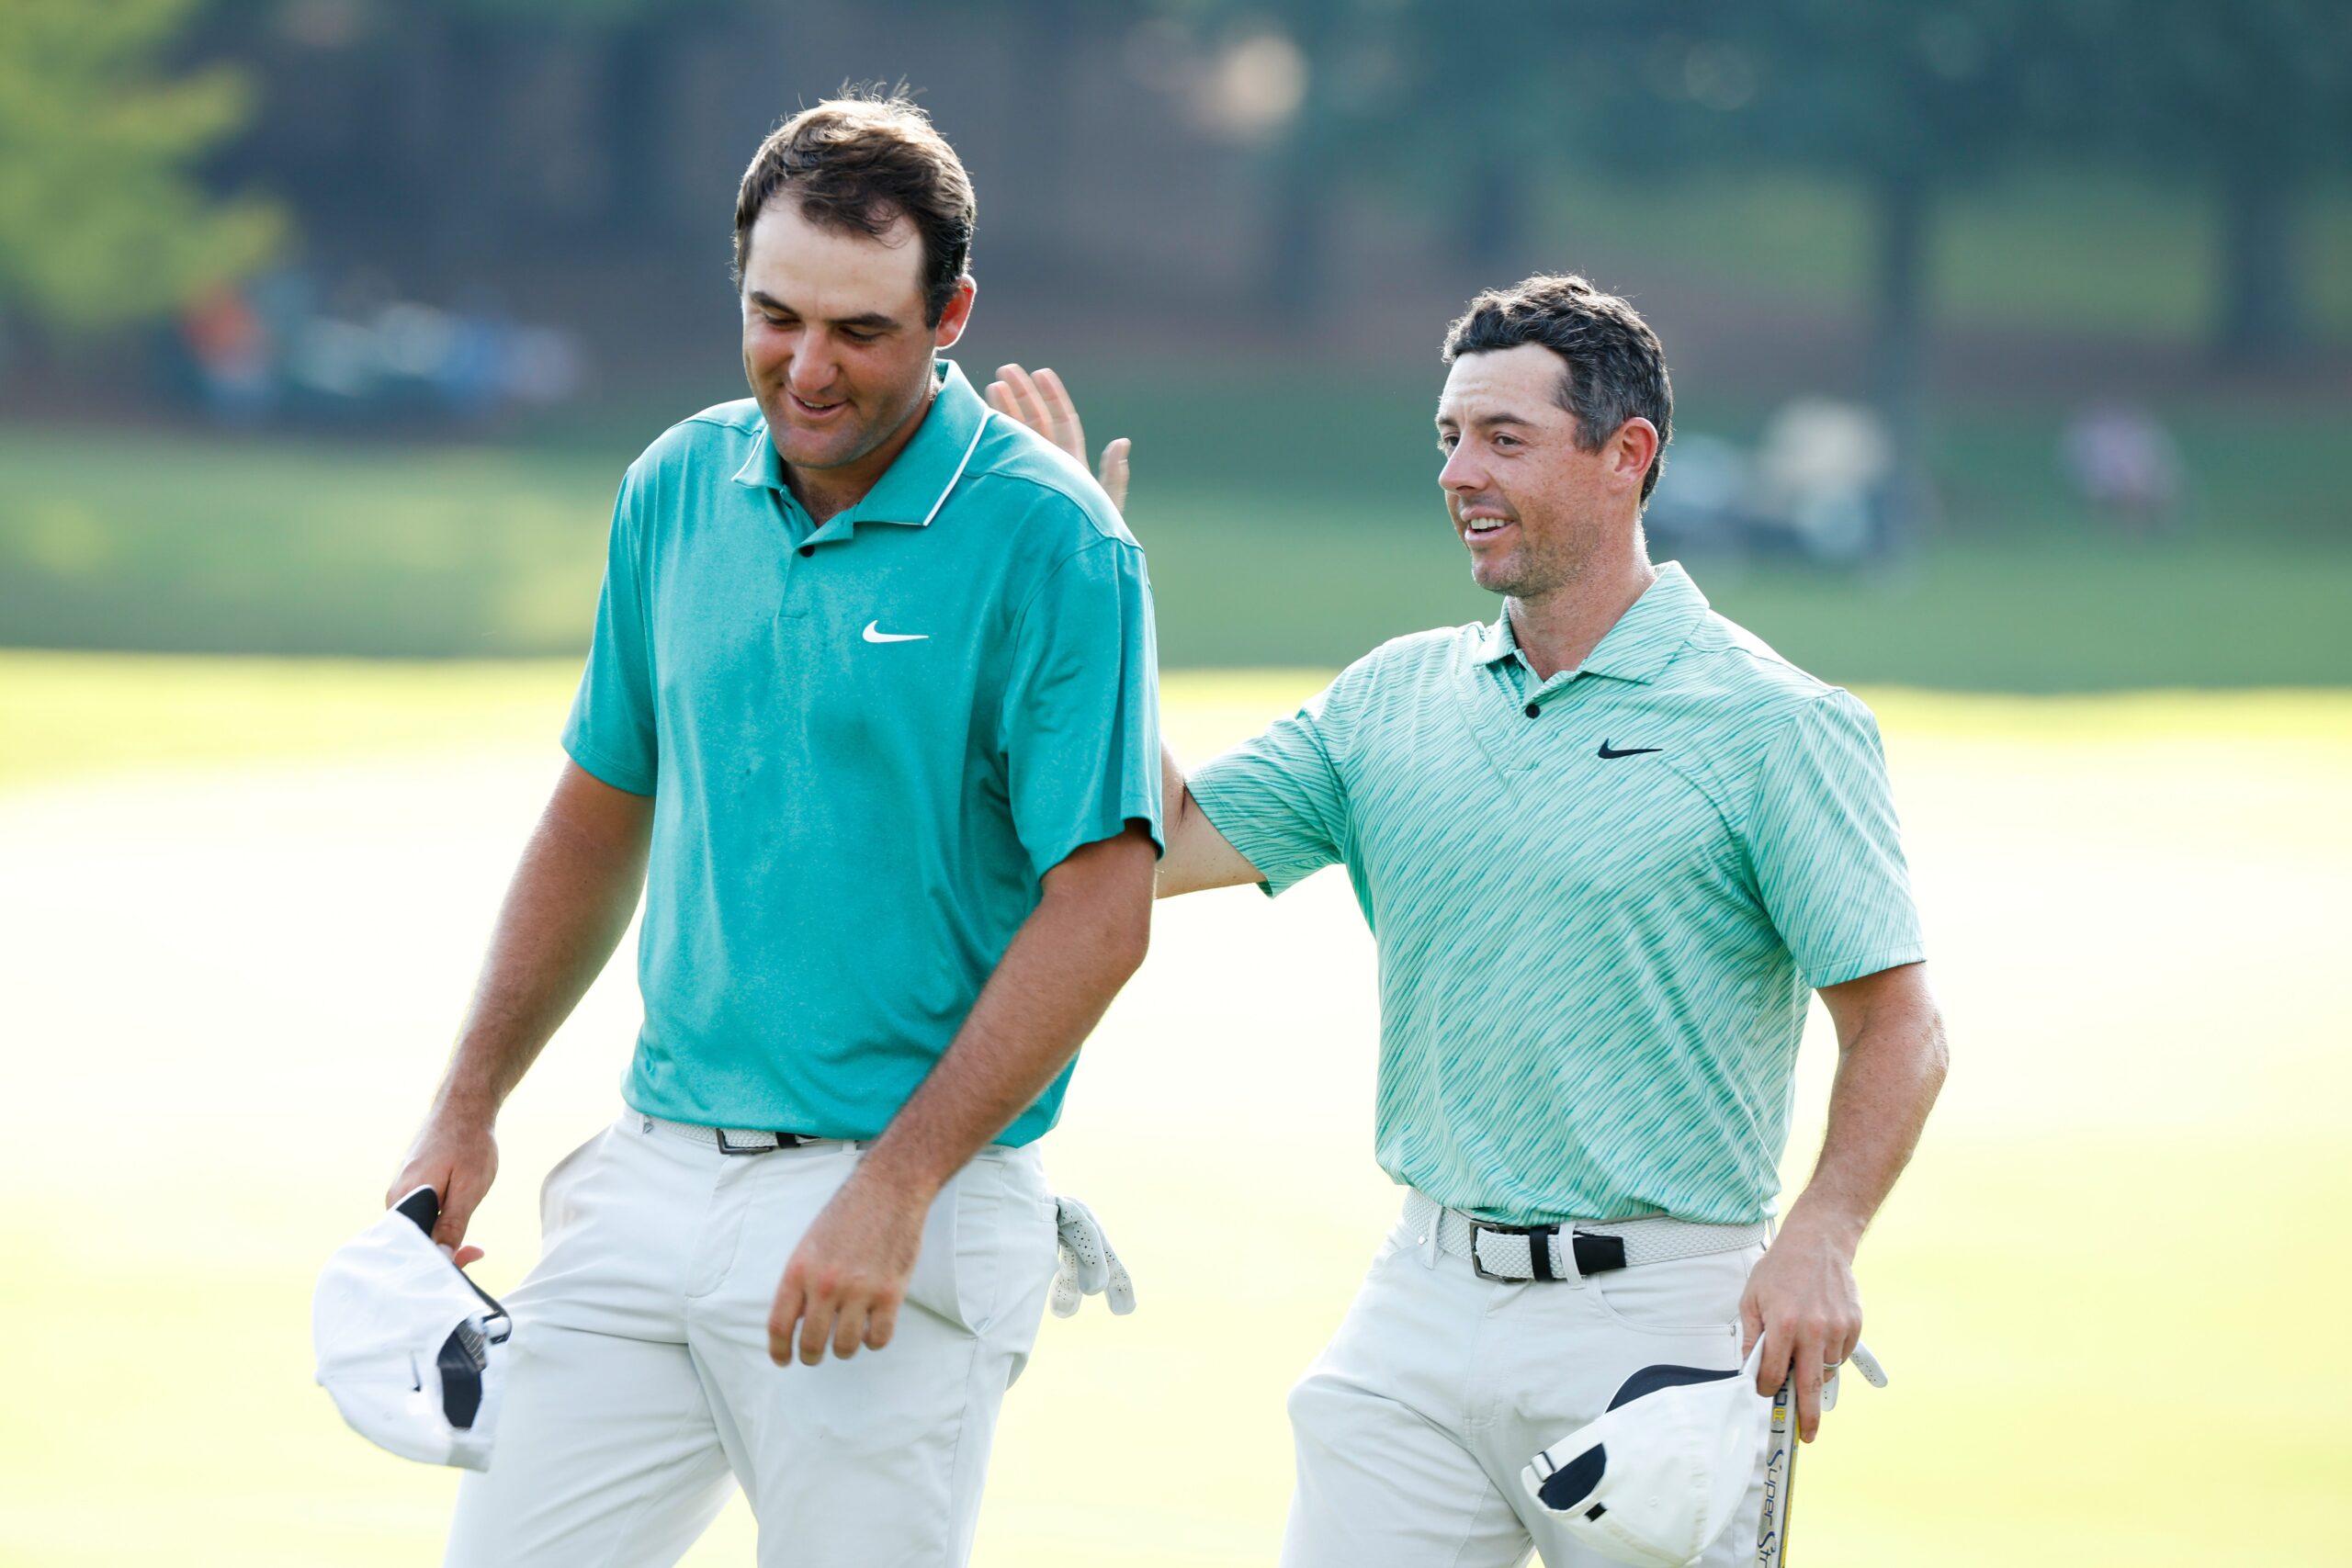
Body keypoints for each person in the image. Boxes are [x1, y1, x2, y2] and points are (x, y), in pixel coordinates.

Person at [989, 271, 1948, 1568]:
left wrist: (1824, 1233)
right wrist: (1092, 579)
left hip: (1663, 1323)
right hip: (1420, 1303)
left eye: (1505, 438)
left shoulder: (1777, 725)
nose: (1459, 474)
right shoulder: (1392, 699)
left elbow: (1899, 1024)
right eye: (1449, 437)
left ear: (1627, 455)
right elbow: (1154, 839)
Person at [386, 90, 1161, 1567]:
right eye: (774, 316)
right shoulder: (677, 484)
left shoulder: (1057, 540)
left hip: (895, 1199)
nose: (807, 368)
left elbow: (1102, 910)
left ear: (951, 316)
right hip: (648, 1173)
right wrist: (466, 1103)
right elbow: (601, 808)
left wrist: (898, 1188)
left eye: (860, 331)